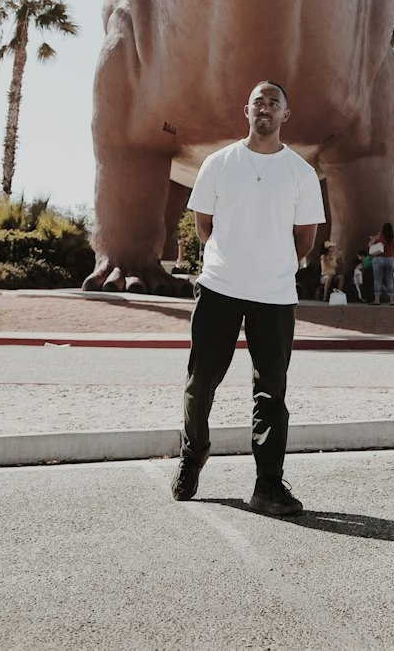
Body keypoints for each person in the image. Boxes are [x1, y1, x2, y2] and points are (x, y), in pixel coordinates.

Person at [171, 81, 324, 517]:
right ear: (247, 109)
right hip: (219, 286)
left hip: (274, 295)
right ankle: (193, 453)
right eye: (259, 100)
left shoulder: (300, 173)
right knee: (200, 384)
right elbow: (204, 226)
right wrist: (232, 261)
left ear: (285, 115)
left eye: (274, 102)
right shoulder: (219, 163)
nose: (266, 107)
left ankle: (268, 485)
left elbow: (305, 239)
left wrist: (270, 267)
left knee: (271, 392)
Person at [371, 222, 394, 305]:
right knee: (390, 279)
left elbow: (370, 244)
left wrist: (374, 238)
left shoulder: (379, 236)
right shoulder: (392, 239)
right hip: (390, 259)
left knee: (378, 279)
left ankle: (377, 300)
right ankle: (392, 300)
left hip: (379, 259)